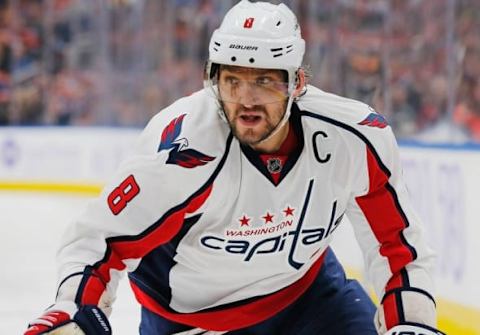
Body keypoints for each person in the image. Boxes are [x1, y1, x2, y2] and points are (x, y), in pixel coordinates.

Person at [25, 1, 445, 334]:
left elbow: (397, 247)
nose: (246, 100)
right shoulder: (183, 149)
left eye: (264, 81)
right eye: (232, 81)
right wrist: (74, 310)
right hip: (189, 322)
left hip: (311, 302)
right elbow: (101, 241)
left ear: (297, 83)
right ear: (213, 80)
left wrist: (410, 321)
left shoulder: (353, 139)